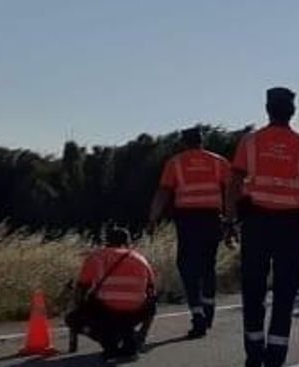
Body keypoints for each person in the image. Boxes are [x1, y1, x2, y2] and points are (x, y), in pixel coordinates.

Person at [225, 87, 299, 367]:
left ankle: (254, 351)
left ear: (268, 109)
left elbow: (235, 183)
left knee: (253, 288)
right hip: (291, 225)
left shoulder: (250, 142)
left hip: (256, 223)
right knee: (285, 292)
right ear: (292, 111)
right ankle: (276, 355)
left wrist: (229, 220)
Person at [148, 126, 231, 338]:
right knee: (208, 264)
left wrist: (153, 218)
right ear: (202, 141)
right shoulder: (218, 161)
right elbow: (232, 190)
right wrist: (231, 220)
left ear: (184, 143)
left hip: (188, 220)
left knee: (187, 267)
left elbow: (164, 191)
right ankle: (209, 307)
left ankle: (197, 314)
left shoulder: (175, 163)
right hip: (212, 218)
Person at [66, 227, 157, 361]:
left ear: (106, 241)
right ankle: (134, 339)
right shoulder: (141, 259)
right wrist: (143, 332)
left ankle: (108, 341)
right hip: (136, 311)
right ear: (128, 242)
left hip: (107, 312)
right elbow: (151, 291)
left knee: (72, 319)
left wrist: (78, 308)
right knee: (150, 303)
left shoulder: (96, 257)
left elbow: (82, 287)